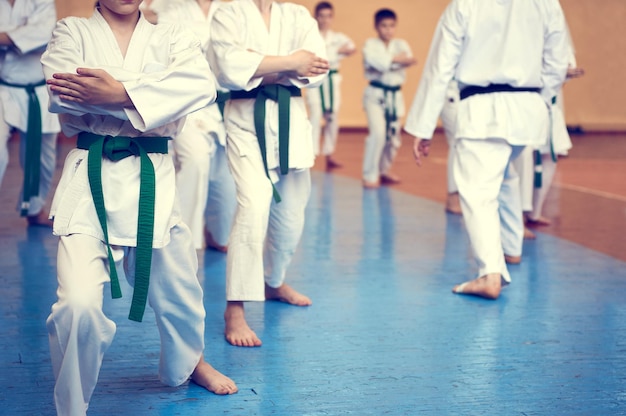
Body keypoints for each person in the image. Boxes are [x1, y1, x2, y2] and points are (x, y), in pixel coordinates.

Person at [41, 1, 237, 413]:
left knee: (179, 292)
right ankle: (72, 405)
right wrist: (155, 90)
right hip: (89, 180)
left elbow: (200, 87)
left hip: (154, 177)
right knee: (77, 306)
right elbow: (64, 93)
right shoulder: (71, 32)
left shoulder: (173, 35)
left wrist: (116, 91)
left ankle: (189, 363)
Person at [405, 0, 569, 299]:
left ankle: (489, 275)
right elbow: (558, 63)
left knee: (478, 192)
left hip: (483, 110)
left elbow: (441, 67)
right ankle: (512, 247)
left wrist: (423, 125)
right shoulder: (546, 3)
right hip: (527, 109)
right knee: (505, 174)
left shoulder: (465, 5)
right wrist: (539, 100)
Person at [209, 0, 329, 347]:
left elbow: (318, 70)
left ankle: (274, 281)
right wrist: (293, 61)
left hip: (291, 118)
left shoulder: (297, 15)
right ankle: (235, 307)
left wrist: (259, 63)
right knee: (253, 206)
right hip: (245, 119)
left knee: (291, 215)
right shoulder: (228, 14)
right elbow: (230, 70)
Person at [158, 0, 237, 253]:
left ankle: (217, 232)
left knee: (224, 174)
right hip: (187, 104)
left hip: (225, 105)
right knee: (196, 160)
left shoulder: (233, 10)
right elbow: (168, 53)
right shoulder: (171, 9)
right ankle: (182, 239)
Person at [0, 0, 60, 226]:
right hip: (3, 87)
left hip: (38, 88)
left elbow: (42, 34)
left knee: (43, 156)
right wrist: (16, 35)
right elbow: (25, 36)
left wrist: (7, 38)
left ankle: (34, 209)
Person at [361, 8, 416, 189]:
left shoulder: (401, 43)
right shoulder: (370, 44)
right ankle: (370, 174)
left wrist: (386, 61)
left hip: (395, 95)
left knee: (394, 138)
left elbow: (410, 60)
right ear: (376, 26)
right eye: (384, 26)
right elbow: (373, 62)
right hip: (375, 95)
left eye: (392, 26)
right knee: (378, 133)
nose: (388, 30)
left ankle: (384, 170)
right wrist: (394, 61)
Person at [305, 1, 355, 170]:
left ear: (332, 18)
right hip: (315, 79)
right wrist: (333, 52)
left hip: (332, 80)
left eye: (328, 16)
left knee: (332, 116)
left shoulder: (337, 37)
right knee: (315, 116)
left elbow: (352, 48)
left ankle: (329, 154)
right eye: (322, 16)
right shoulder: (310, 37)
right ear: (316, 17)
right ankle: (310, 155)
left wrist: (334, 51)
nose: (325, 19)